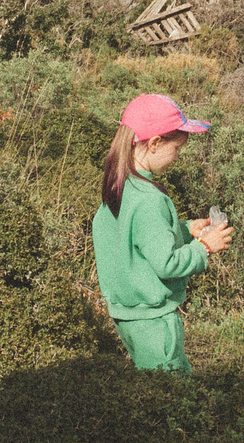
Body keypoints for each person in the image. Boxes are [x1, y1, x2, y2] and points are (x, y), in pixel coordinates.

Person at [90, 94, 231, 375]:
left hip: (127, 314)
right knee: (173, 394)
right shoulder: (150, 199)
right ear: (154, 143)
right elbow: (166, 263)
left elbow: (132, 236)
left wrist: (184, 229)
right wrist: (204, 247)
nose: (178, 156)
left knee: (151, 388)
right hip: (153, 319)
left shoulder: (119, 186)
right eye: (177, 148)